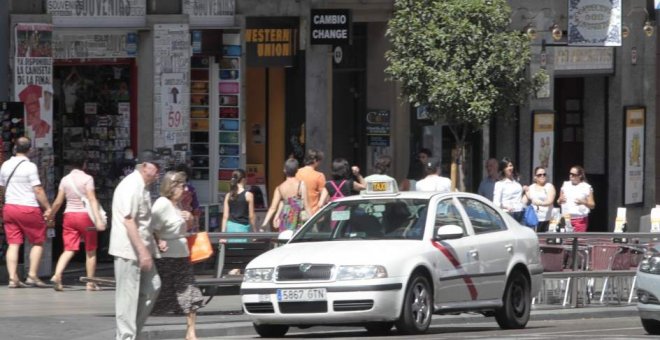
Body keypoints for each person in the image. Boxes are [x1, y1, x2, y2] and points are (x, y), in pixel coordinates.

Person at [109, 151, 162, 340]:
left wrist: (155, 242)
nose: (159, 172)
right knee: (127, 298)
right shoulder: (131, 186)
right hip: (128, 251)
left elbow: (143, 221)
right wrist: (143, 252)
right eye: (156, 167)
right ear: (144, 166)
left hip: (142, 250)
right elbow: (129, 220)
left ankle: (133, 333)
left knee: (153, 286)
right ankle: (126, 337)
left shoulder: (142, 186)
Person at [150, 171, 203, 340]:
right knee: (156, 297)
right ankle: (135, 327)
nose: (185, 189)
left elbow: (183, 229)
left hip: (182, 256)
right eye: (182, 185)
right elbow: (151, 228)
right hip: (165, 258)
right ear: (172, 187)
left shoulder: (177, 205)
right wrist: (159, 241)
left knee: (191, 293)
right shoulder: (162, 204)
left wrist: (190, 220)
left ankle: (191, 331)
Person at [48, 150, 106, 292]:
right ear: (84, 164)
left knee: (68, 249)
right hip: (85, 217)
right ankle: (90, 283)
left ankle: (57, 275)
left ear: (71, 164)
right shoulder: (88, 179)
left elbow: (58, 202)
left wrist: (51, 215)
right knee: (90, 250)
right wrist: (98, 219)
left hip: (69, 216)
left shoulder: (65, 180)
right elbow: (92, 199)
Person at [0, 136, 52, 288]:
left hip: (10, 208)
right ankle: (32, 275)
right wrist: (48, 208)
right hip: (28, 208)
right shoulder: (30, 166)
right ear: (30, 150)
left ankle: (12, 278)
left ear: (15, 148)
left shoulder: (5, 165)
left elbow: (1, 188)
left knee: (13, 243)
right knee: (38, 241)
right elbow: (38, 189)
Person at [221, 169, 256, 274]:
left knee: (234, 253)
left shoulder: (229, 195)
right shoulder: (248, 195)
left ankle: (235, 272)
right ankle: (235, 271)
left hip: (230, 227)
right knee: (240, 254)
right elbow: (251, 216)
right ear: (244, 180)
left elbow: (225, 216)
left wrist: (223, 234)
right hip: (242, 228)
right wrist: (255, 231)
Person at [261, 158, 309, 232]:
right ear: (297, 170)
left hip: (285, 219)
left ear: (284, 170)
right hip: (299, 220)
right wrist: (312, 221)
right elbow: (307, 206)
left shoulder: (279, 188)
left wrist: (263, 225)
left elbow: (272, 208)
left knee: (285, 239)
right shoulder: (301, 185)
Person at [557, 165, 595, 232]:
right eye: (570, 174)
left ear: (580, 175)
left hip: (580, 219)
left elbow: (592, 205)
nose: (571, 176)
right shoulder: (565, 184)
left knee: (578, 240)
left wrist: (584, 202)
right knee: (566, 241)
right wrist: (560, 200)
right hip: (566, 219)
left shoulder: (586, 187)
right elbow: (559, 201)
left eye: (573, 174)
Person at [523, 166, 556, 232]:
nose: (542, 176)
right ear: (535, 177)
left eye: (544, 174)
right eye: (539, 175)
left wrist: (539, 203)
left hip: (547, 220)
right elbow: (523, 202)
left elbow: (550, 201)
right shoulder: (530, 188)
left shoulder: (549, 186)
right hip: (534, 220)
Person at [493, 157, 524, 222]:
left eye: (510, 166)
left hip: (520, 211)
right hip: (508, 213)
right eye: (506, 166)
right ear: (503, 169)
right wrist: (506, 207)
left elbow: (519, 198)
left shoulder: (516, 182)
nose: (510, 168)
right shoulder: (500, 184)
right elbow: (496, 203)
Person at [296, 148, 326, 214]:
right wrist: (320, 205)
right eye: (319, 161)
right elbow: (324, 193)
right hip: (313, 213)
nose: (319, 163)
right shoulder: (319, 176)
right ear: (315, 160)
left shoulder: (296, 173)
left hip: (297, 213)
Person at [175, 163, 201, 230]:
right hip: (182, 218)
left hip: (185, 219)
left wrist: (196, 223)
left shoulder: (190, 189)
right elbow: (196, 206)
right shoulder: (190, 189)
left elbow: (195, 206)